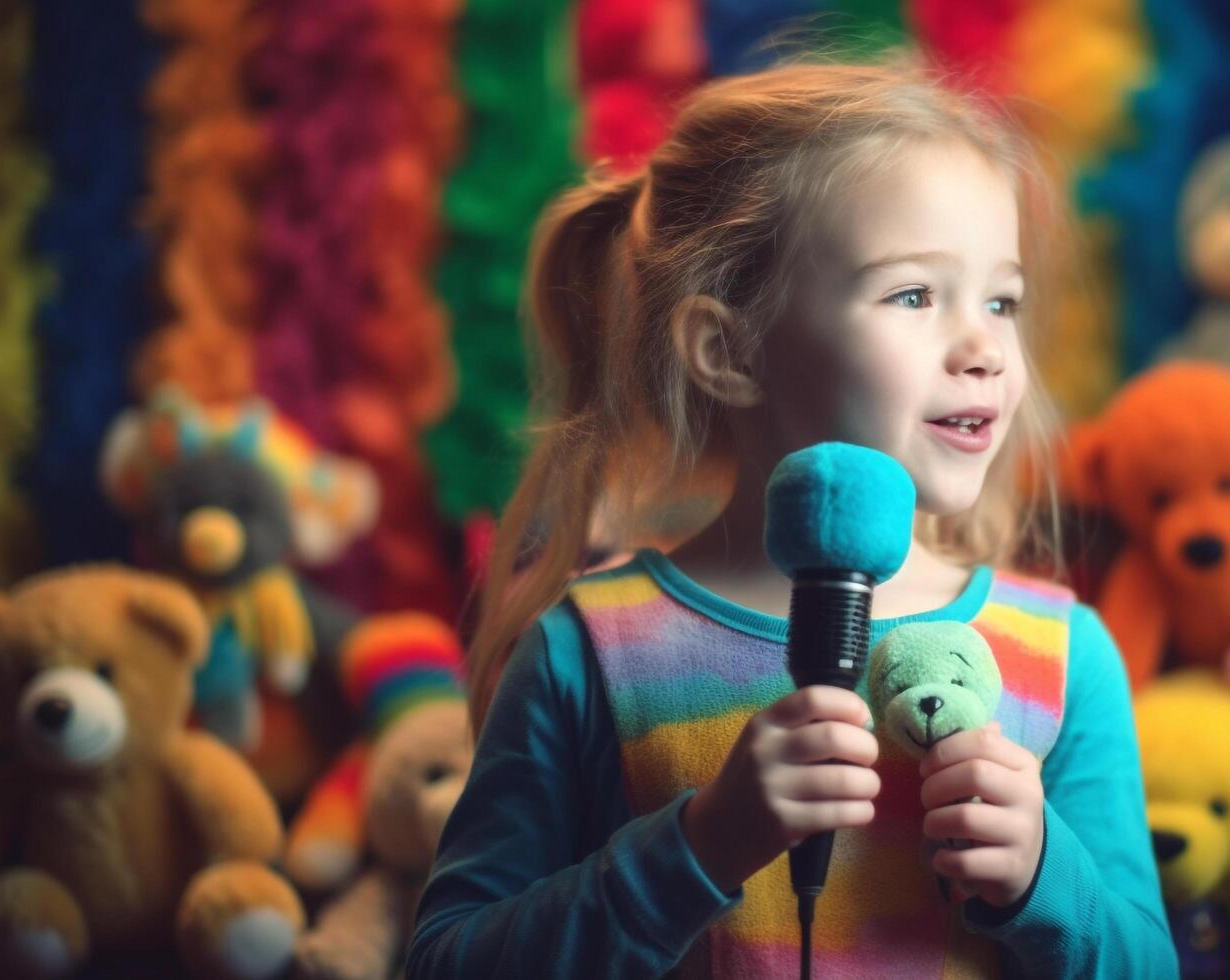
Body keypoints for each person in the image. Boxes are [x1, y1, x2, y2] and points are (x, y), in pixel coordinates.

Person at [407, 59, 1174, 979]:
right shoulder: (586, 652)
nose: (984, 350)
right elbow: (447, 960)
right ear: (725, 351)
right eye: (914, 295)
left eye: (1001, 300)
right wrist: (698, 846)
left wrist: (1045, 879)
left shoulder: (1063, 656)